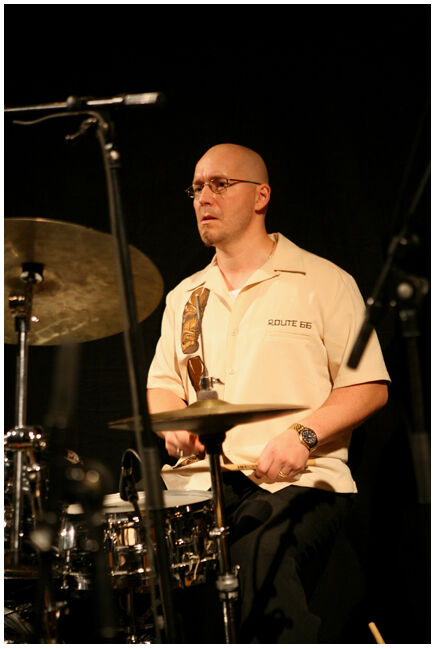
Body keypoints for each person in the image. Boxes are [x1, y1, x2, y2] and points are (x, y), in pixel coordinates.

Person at [146, 143, 390, 642]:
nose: (203, 198)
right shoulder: (185, 296)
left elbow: (367, 386)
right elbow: (163, 385)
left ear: (261, 196)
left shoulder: (324, 281)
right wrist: (173, 423)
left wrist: (303, 434)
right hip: (200, 485)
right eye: (196, 188)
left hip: (296, 480)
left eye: (220, 184)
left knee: (257, 562)